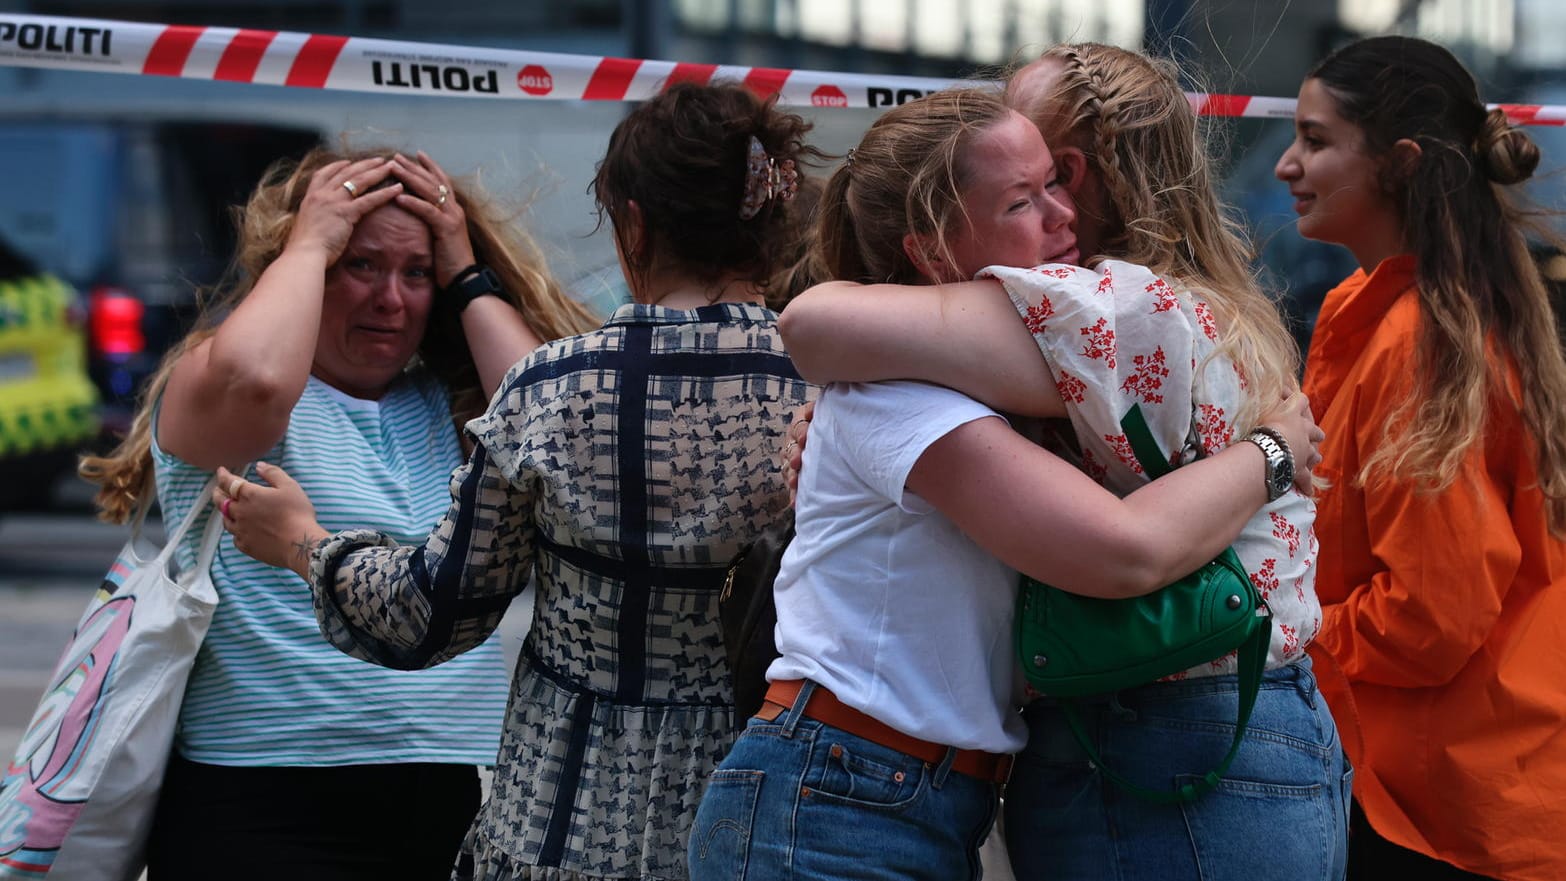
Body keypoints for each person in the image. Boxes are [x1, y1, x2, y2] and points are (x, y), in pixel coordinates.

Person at [687, 86, 1323, 881]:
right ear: (928, 252)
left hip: (891, 792)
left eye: (1058, 183)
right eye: (1024, 200)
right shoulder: (899, 394)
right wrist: (1272, 451)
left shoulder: (963, 379)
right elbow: (1122, 551)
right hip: (839, 794)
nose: (1063, 216)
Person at [218, 82, 818, 881]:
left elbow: (424, 616)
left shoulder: (551, 389)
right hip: (763, 819)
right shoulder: (831, 390)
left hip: (558, 824)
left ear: (634, 226)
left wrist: (304, 543)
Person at [74, 147, 597, 879]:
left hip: (438, 797)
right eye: (360, 265)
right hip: (259, 801)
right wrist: (312, 236)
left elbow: (568, 438)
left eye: (416, 273)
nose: (391, 298)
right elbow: (255, 376)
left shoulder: (448, 405)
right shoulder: (229, 379)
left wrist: (464, 271)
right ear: (305, 269)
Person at [1274, 35, 1566, 881]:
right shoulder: (1413, 310)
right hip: (1467, 777)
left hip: (1446, 806)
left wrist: (1283, 631)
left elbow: (1429, 614)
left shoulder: (1419, 341)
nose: (1288, 165)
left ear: (1400, 163)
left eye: (1317, 140)